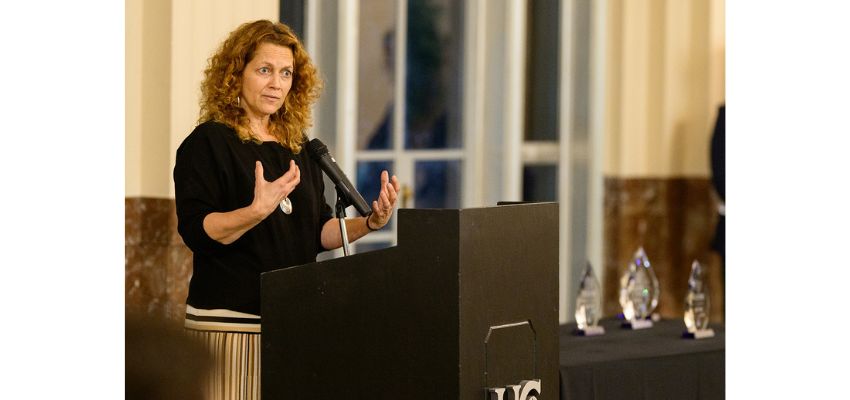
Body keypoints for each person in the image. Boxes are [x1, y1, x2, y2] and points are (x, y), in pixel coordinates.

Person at [173, 20, 400, 399]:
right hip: (230, 324)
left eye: (286, 73)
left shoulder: (299, 147)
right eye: (264, 70)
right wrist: (255, 211)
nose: (276, 83)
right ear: (236, 74)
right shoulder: (207, 143)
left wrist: (368, 223)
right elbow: (197, 231)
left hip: (293, 322)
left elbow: (319, 231)